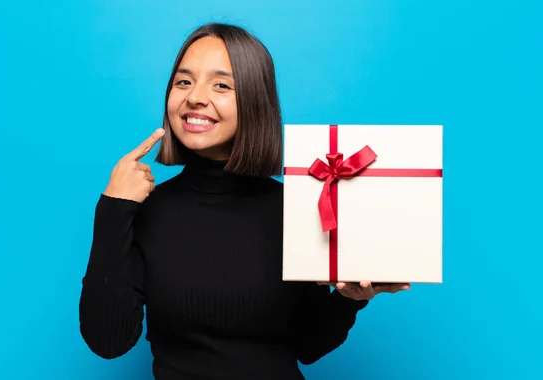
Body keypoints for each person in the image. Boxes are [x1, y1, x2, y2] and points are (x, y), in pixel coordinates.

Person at [78, 22, 410, 380]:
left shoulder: (298, 206)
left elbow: (308, 347)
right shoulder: (146, 210)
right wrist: (113, 207)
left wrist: (351, 300)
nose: (194, 98)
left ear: (254, 101)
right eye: (183, 81)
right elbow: (107, 341)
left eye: (221, 84)